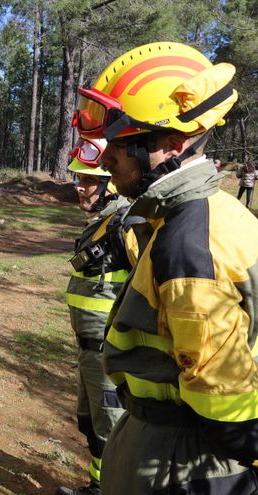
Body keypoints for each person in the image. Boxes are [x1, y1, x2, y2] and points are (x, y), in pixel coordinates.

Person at [72, 41, 258, 493]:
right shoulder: (211, 213)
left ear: (171, 144)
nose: (106, 158)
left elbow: (226, 407)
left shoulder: (187, 241)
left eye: (120, 144)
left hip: (180, 460)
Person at [57, 138, 135, 495]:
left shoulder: (126, 225)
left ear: (108, 183)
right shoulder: (102, 222)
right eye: (78, 178)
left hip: (109, 352)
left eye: (88, 180)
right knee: (92, 424)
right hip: (89, 351)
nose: (79, 186)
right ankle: (98, 486)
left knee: (114, 428)